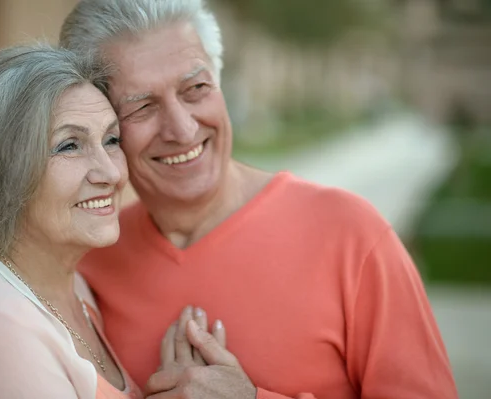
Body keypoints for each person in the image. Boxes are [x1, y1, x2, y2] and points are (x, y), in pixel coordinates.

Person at [60, 1, 460, 398]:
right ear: (103, 127)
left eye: (196, 89)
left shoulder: (352, 235)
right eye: (143, 107)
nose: (182, 129)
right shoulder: (86, 262)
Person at [0, 44, 224, 399]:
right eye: (69, 146)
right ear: (0, 174)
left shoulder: (73, 288)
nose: (111, 172)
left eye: (111, 140)